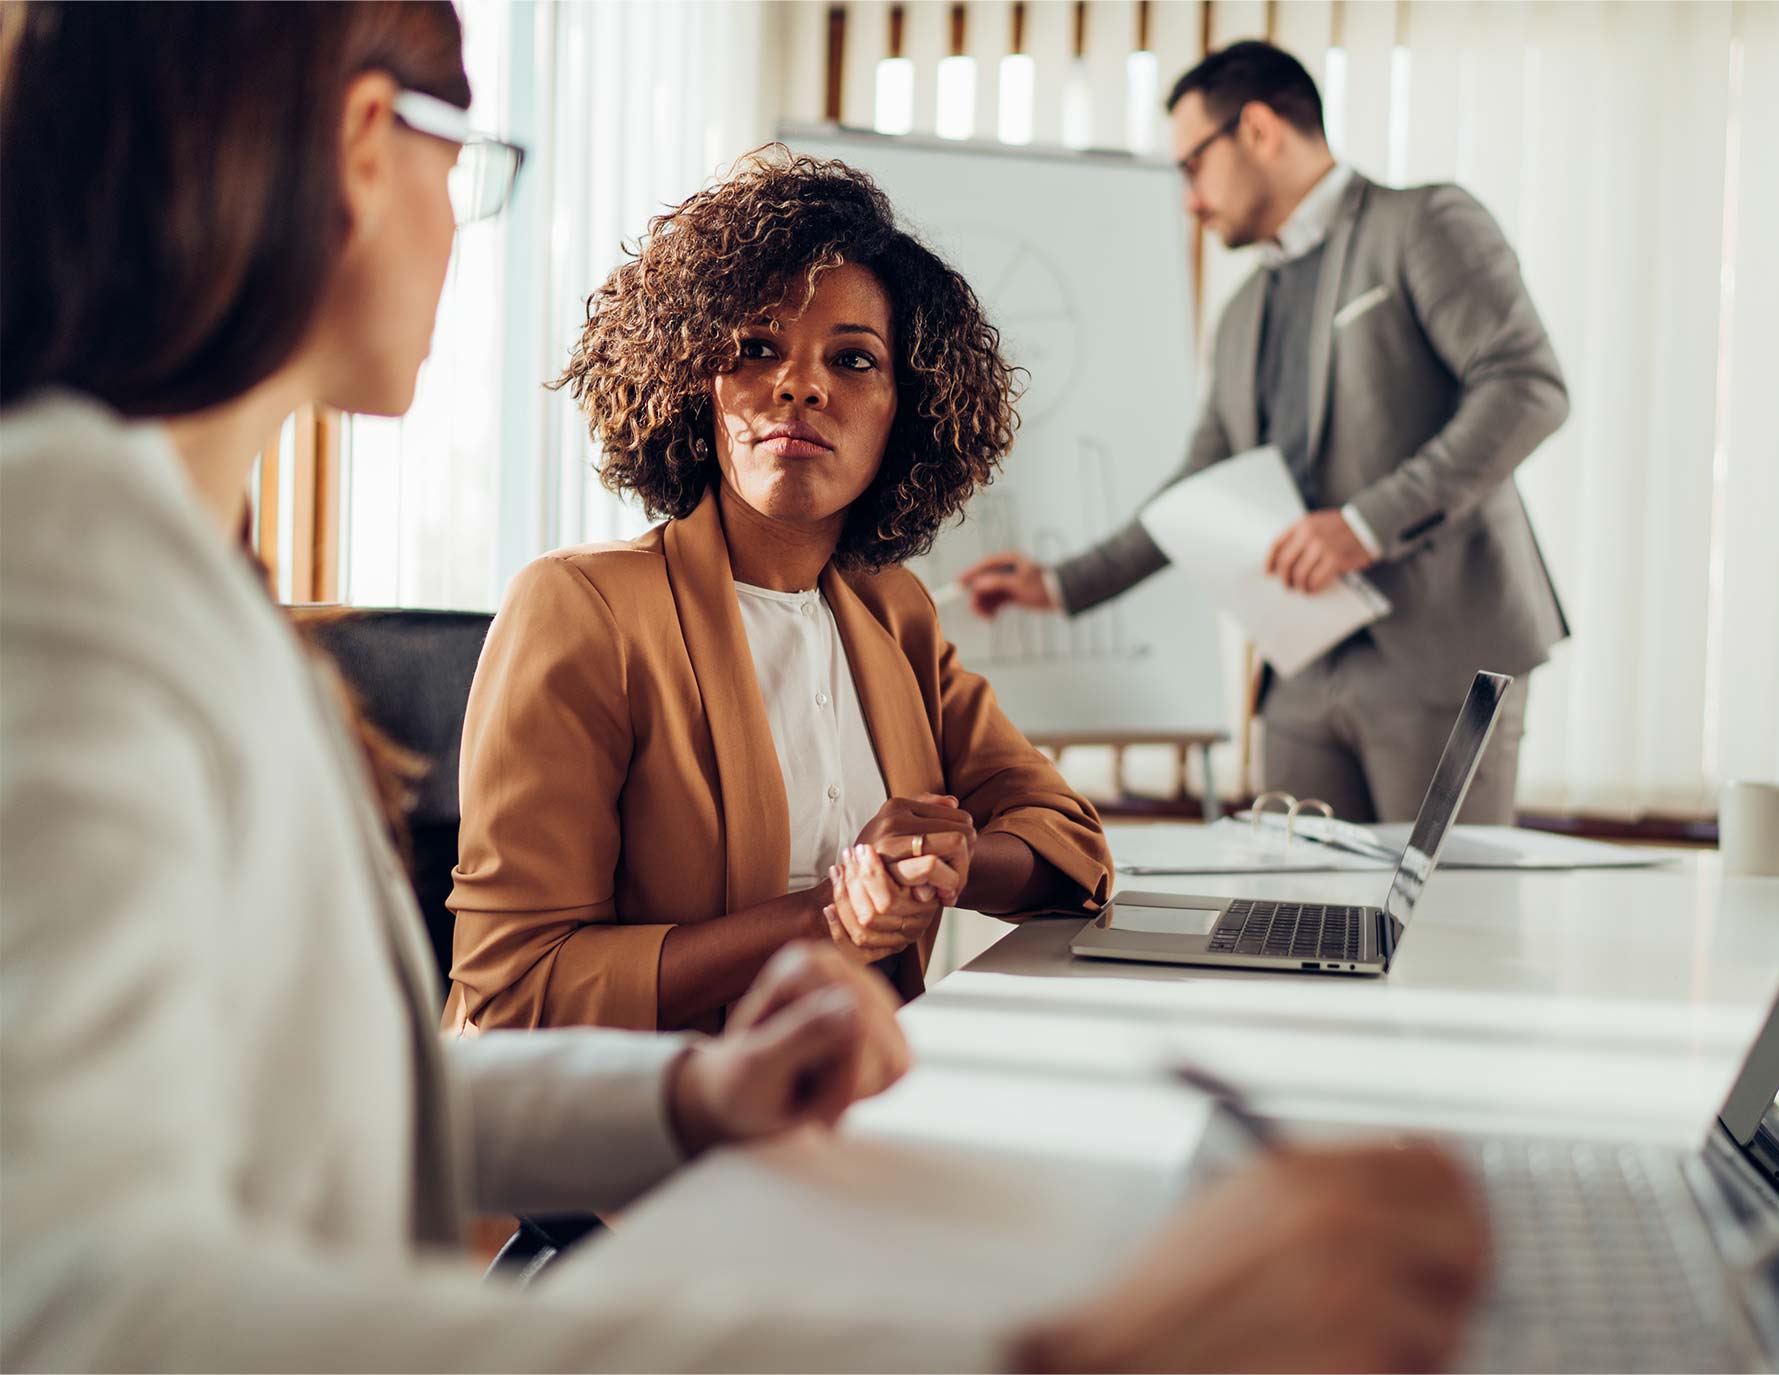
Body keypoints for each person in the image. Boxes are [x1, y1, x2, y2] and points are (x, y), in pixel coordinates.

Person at [1, 5, 1492, 1371]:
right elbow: (78, 1299)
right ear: (364, 143)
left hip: (768, 1171)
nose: (462, 220)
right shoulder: (71, 595)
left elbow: (335, 1103)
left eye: (851, 361)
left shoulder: (172, 574)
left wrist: (697, 1096)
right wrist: (1028, 1355)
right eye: (474, 163)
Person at [442, 155, 1114, 1036]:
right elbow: (513, 991)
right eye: (756, 349)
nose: (801, 385)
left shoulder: (892, 612)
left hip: (864, 1102)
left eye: (853, 359)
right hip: (646, 1136)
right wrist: (825, 918)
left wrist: (954, 859)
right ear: (696, 379)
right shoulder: (581, 609)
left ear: (901, 411)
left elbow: (1068, 839)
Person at [959, 40, 1569, 825]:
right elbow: (1200, 480)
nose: (1189, 199)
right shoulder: (1244, 310)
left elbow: (1528, 387)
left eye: (1191, 167)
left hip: (1438, 662)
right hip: (1300, 674)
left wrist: (1363, 527)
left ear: (1258, 130)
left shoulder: (1424, 223)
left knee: (1443, 934)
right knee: (1297, 924)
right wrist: (1064, 583)